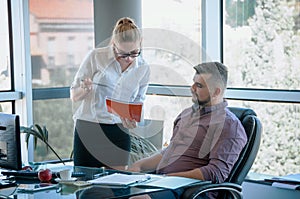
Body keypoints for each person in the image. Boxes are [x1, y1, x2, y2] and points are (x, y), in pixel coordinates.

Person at [128, 62, 247, 199]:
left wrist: (169, 178)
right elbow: (170, 151)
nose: (192, 88)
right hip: (164, 183)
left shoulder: (228, 125)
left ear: (216, 92)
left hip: (190, 191)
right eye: (194, 83)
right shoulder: (186, 114)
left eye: (199, 86)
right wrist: (140, 165)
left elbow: (216, 173)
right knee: (108, 192)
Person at [70, 17, 150, 170]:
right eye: (122, 54)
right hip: (89, 128)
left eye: (134, 53)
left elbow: (139, 101)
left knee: (117, 185)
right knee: (84, 184)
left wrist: (132, 119)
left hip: (118, 131)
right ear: (114, 44)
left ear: (140, 43)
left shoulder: (143, 68)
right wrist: (85, 89)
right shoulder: (96, 56)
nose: (129, 59)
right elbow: (74, 95)